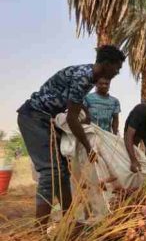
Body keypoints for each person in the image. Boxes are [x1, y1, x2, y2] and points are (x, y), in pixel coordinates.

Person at [17, 45, 125, 228]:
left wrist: (83, 109)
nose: (118, 72)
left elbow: (71, 98)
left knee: (62, 173)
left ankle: (69, 222)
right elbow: (72, 119)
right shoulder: (84, 77)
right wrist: (88, 147)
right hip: (34, 117)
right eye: (117, 67)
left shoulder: (88, 75)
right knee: (50, 172)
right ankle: (39, 230)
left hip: (44, 119)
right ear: (107, 64)